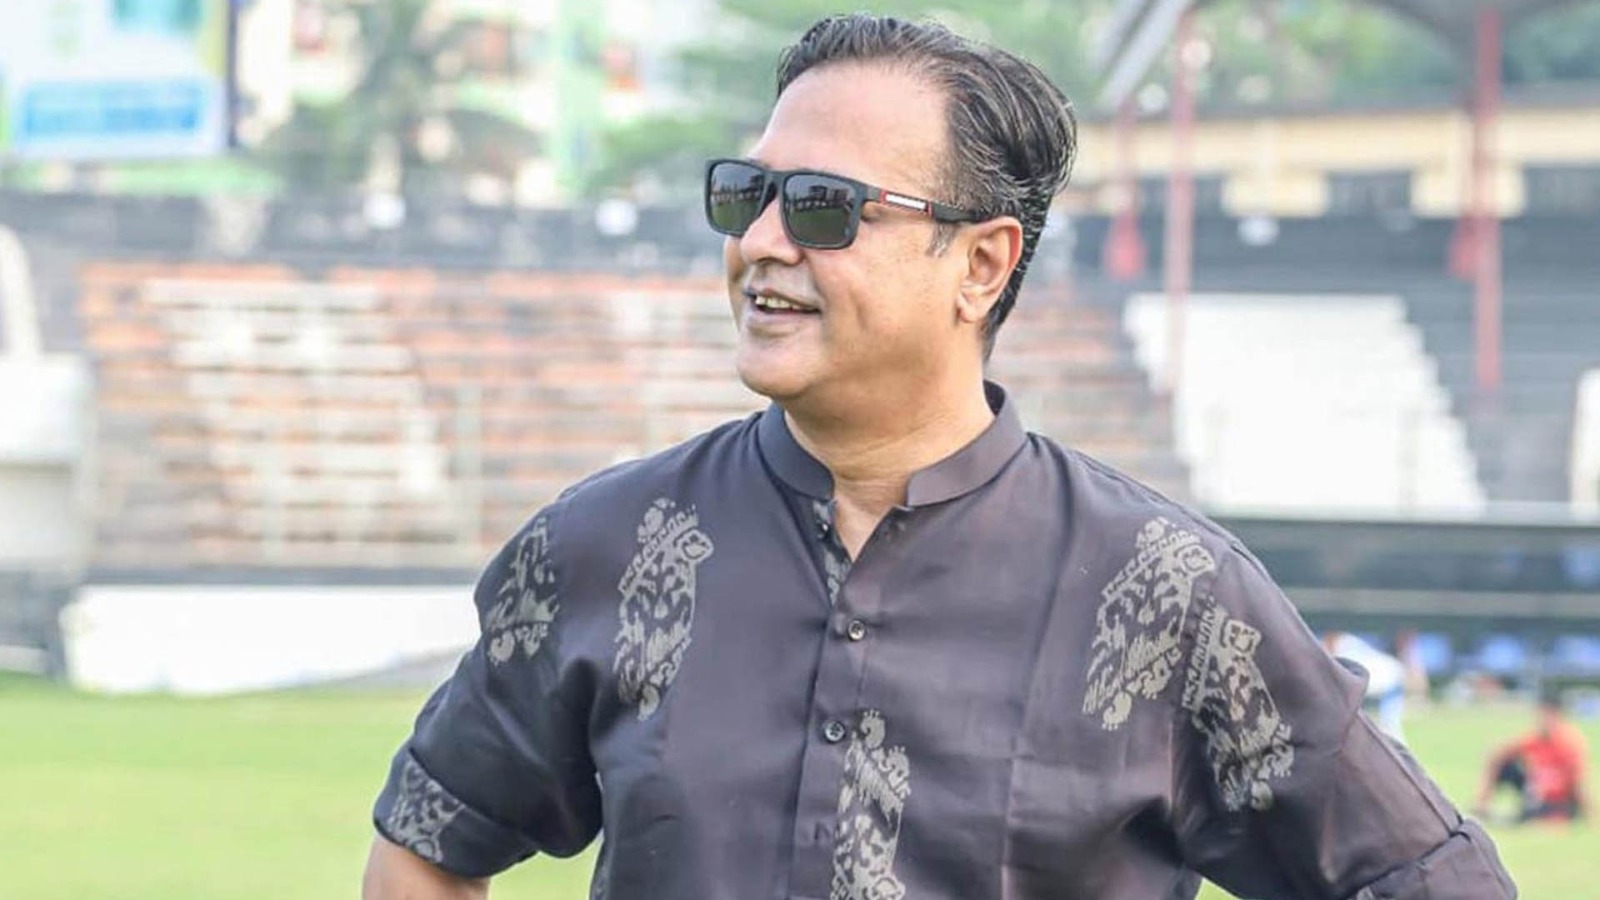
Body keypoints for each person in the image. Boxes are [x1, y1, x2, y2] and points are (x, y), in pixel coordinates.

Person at [362, 14, 1514, 899]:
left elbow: (1424, 876)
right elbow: (427, 838)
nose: (761, 242)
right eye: (748, 195)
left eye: (824, 207)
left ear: (981, 264)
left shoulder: (1165, 593)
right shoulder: (606, 545)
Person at [1474, 690, 1590, 825]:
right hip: (1537, 793)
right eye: (1541, 715)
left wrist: (1590, 814)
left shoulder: (1570, 742)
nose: (1543, 720)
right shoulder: (1536, 737)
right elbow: (1499, 753)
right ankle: (1481, 809)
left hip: (1558, 801)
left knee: (1526, 819)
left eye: (1548, 715)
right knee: (1504, 765)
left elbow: (1578, 782)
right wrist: (1482, 796)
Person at [1323, 630, 1409, 743]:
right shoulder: (1348, 643)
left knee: (1390, 727)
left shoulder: (1345, 646)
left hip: (1384, 677)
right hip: (1385, 676)